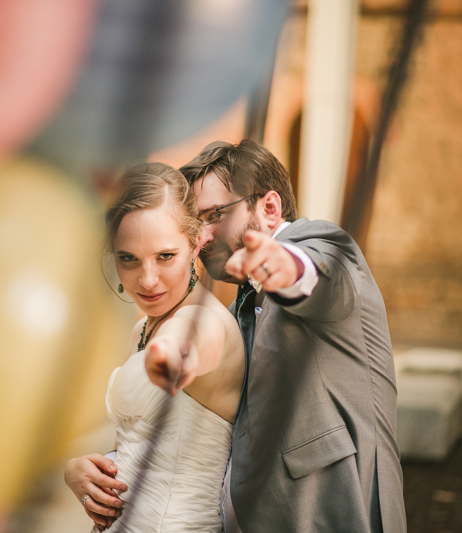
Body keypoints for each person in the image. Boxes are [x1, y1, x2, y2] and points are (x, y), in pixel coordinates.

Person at [178, 140, 407, 532]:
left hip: (336, 513)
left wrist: (286, 268)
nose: (203, 236)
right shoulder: (238, 309)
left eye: (214, 214)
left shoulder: (323, 246)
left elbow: (321, 278)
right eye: (196, 224)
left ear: (269, 208)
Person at [63, 162, 246, 532]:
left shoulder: (205, 322)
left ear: (196, 244)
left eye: (165, 256)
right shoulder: (142, 329)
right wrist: (79, 472)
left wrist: (175, 356)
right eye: (128, 258)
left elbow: (192, 344)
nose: (147, 280)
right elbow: (140, 441)